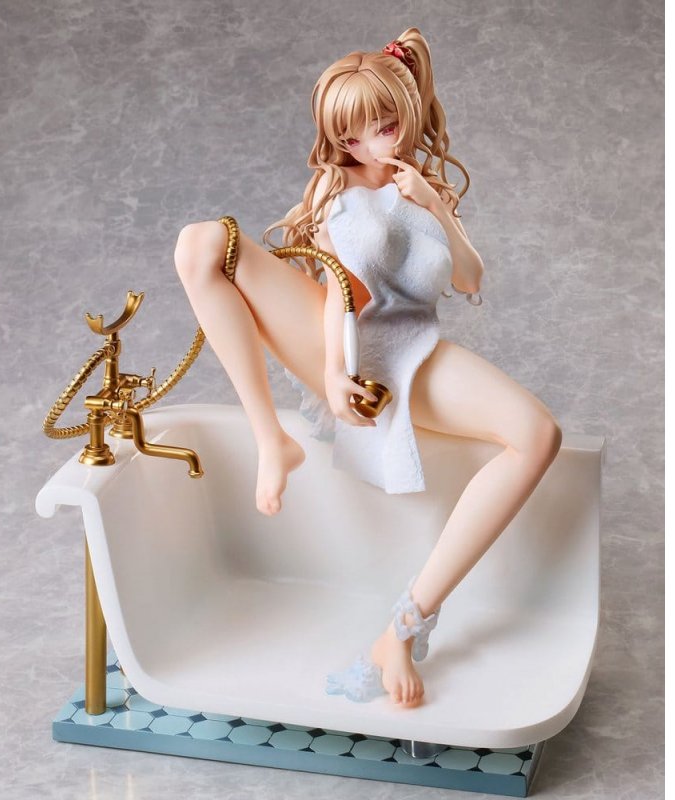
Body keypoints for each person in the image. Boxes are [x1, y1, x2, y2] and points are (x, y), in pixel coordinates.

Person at [174, 27, 562, 708]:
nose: (369, 145)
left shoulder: (425, 189)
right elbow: (339, 288)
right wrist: (331, 371)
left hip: (411, 347)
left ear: (406, 113)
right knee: (202, 243)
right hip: (341, 335)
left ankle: (404, 625)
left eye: (382, 127)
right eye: (351, 137)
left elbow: (470, 280)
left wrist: (433, 204)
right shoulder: (336, 189)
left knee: (538, 435)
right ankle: (272, 440)